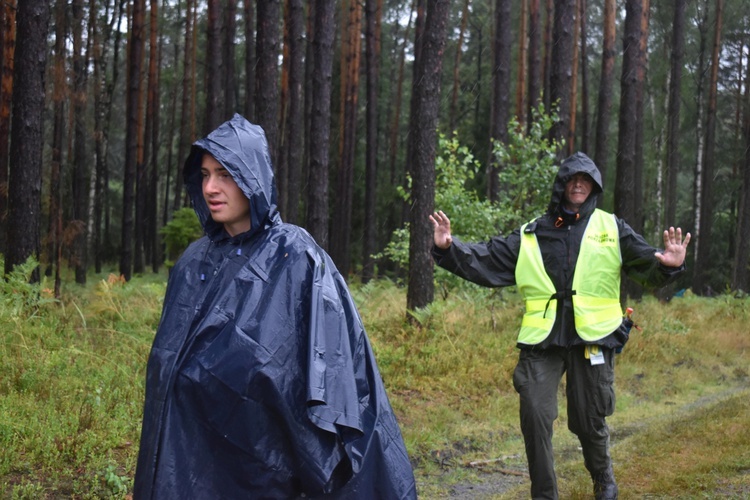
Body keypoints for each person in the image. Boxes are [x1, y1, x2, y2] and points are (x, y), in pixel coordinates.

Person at [134, 114, 417, 499]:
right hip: (188, 458)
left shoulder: (294, 255)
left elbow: (336, 369)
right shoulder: (193, 262)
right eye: (204, 175)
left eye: (225, 174)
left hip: (264, 465)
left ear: (252, 178)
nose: (211, 187)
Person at [429, 152, 690, 500]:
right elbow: (488, 258)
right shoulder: (532, 233)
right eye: (572, 179)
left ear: (594, 187)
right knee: (535, 414)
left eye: (586, 180)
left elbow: (647, 266)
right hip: (543, 340)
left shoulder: (611, 228)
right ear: (562, 185)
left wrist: (668, 266)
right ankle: (544, 494)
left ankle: (602, 477)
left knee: (587, 419)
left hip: (594, 338)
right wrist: (449, 249)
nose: (579, 184)